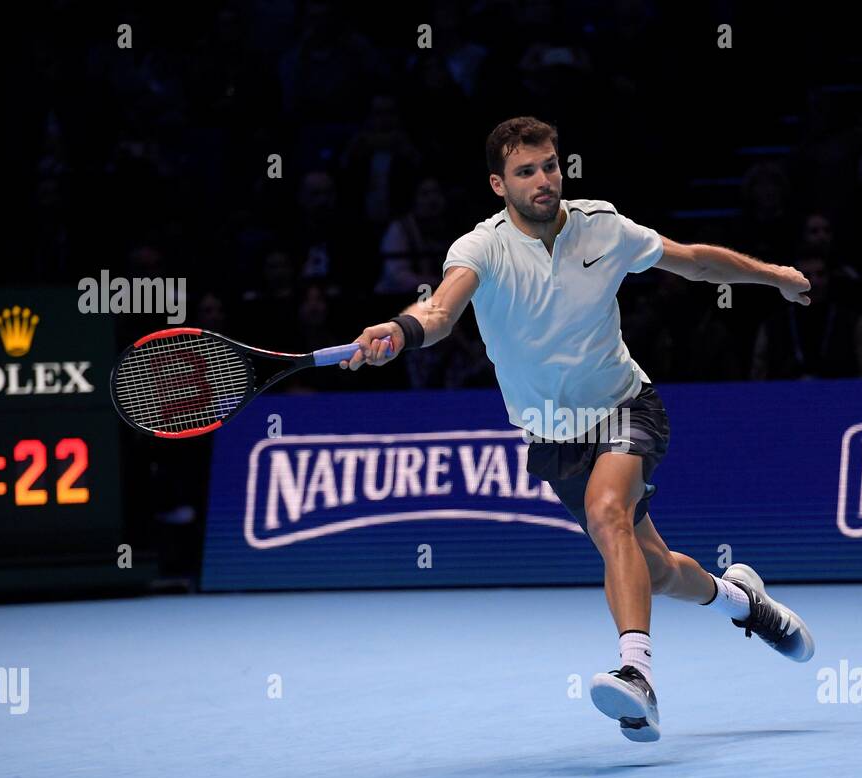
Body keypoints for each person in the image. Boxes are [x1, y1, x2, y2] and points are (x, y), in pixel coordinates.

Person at [341, 117, 816, 742]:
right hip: (553, 435)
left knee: (606, 511)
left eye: (550, 166)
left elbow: (695, 262)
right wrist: (398, 332)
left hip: (625, 406)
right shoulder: (480, 249)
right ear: (497, 184)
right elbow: (440, 310)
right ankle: (743, 602)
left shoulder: (603, 227)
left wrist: (774, 275)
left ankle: (636, 676)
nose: (543, 181)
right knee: (660, 570)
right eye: (525, 171)